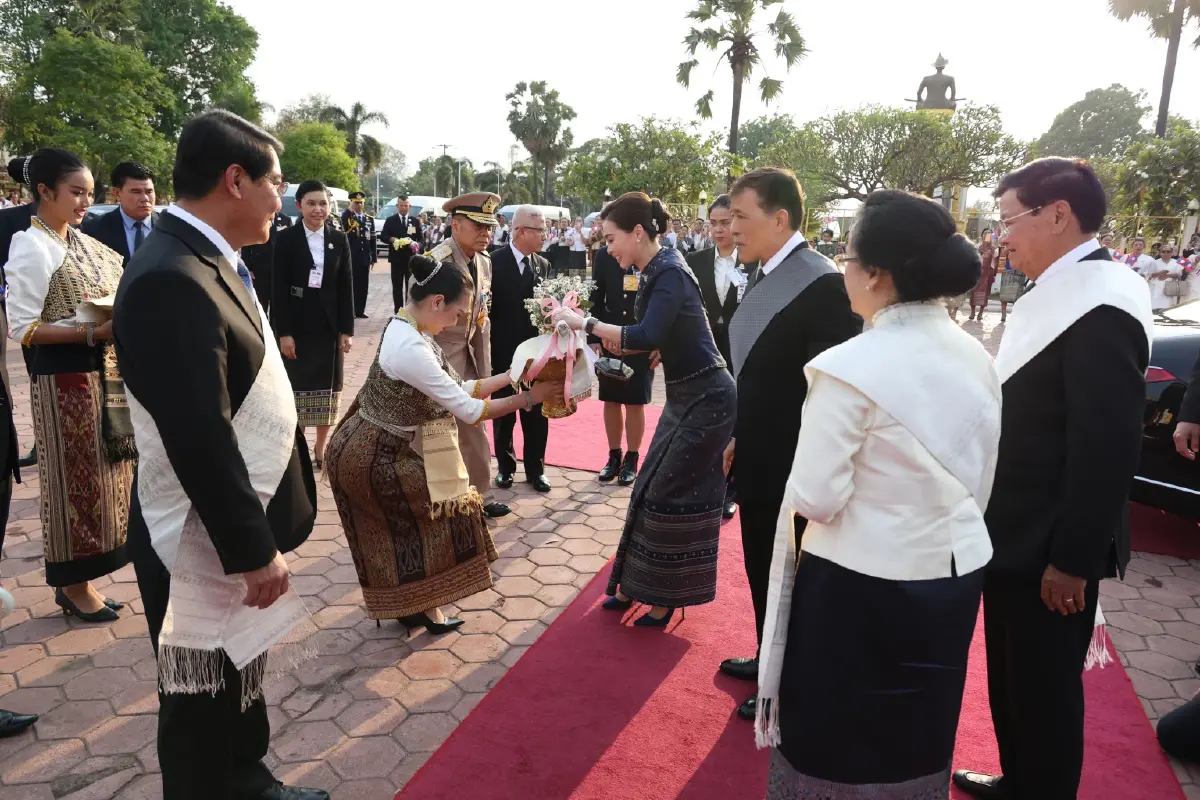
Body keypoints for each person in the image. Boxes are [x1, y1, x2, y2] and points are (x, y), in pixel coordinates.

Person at [756, 189, 999, 797]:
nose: (844, 270)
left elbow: (815, 497)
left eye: (848, 257)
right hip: (953, 571)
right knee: (920, 724)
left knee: (840, 735)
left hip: (860, 581)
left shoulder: (848, 367)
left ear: (876, 274)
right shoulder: (975, 353)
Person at [113, 109, 324, 800]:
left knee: (235, 674)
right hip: (201, 535)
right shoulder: (171, 275)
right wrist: (250, 549)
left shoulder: (207, 257)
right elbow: (198, 432)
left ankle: (248, 782)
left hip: (228, 524)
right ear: (236, 180)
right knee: (198, 702)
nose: (280, 199)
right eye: (276, 183)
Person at [952, 158, 1153, 800]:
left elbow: (1107, 445)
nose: (1002, 236)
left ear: (1057, 214)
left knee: (1045, 694)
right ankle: (1021, 782)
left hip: (1050, 548)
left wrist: (1072, 559)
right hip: (1012, 530)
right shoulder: (1061, 288)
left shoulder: (1101, 302)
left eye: (1010, 219)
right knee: (1012, 683)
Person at [326, 255, 562, 634]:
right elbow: (468, 409)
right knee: (448, 515)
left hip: (369, 449)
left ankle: (412, 606)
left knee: (397, 533)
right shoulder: (412, 347)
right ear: (436, 302)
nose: (457, 322)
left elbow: (459, 389)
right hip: (371, 455)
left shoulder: (406, 326)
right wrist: (530, 398)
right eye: (457, 313)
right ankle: (426, 607)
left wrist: (514, 375)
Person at [719, 167, 863, 722]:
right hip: (760, 452)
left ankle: (790, 680)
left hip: (797, 465)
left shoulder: (822, 283)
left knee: (793, 575)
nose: (732, 228)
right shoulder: (766, 271)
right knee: (764, 565)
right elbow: (757, 371)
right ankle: (768, 657)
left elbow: (829, 393)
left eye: (742, 218)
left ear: (780, 219)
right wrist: (739, 433)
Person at [554, 192, 736, 627]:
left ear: (638, 232)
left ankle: (665, 598)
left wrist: (588, 325)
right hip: (682, 394)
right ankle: (636, 585)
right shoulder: (655, 268)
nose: (607, 246)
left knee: (670, 493)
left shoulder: (669, 270)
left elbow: (645, 331)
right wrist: (662, 346)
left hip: (708, 397)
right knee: (648, 487)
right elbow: (663, 331)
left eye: (612, 237)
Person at [6, 148, 134, 623]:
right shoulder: (31, 245)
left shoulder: (80, 242)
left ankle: (87, 579)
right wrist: (89, 331)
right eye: (75, 193)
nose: (85, 202)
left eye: (88, 193)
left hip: (103, 374)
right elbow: (23, 328)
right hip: (62, 382)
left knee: (104, 483)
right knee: (70, 487)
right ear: (44, 192)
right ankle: (72, 585)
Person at [430, 192, 510, 518]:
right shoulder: (437, 262)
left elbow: (482, 320)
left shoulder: (485, 262)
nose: (486, 233)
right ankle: (443, 500)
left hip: (471, 358)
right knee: (436, 429)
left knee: (475, 423)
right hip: (438, 358)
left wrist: (487, 373)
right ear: (456, 224)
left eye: (489, 227)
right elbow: (417, 321)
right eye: (478, 226)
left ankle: (483, 495)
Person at [272, 180, 355, 470]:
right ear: (299, 206)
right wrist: (284, 333)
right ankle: (296, 447)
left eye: (323, 203)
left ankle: (321, 446)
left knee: (328, 391)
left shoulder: (338, 239)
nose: (318, 210)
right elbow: (278, 291)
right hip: (298, 327)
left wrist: (347, 330)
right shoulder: (285, 240)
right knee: (297, 389)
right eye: (311, 203)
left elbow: (346, 287)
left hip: (329, 328)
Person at [687, 193, 754, 519]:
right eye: (713, 223)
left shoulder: (752, 262)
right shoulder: (696, 261)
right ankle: (702, 485)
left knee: (734, 423)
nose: (718, 229)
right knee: (705, 421)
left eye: (725, 223)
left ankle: (729, 488)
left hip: (741, 353)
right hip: (704, 354)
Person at [490, 206, 552, 492]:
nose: (544, 235)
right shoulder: (492, 262)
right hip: (503, 353)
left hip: (536, 356)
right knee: (504, 413)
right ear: (521, 231)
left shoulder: (543, 265)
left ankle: (536, 469)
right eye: (539, 230)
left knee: (537, 412)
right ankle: (505, 467)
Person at [588, 243, 654, 486]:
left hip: (642, 337)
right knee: (611, 398)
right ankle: (614, 456)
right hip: (610, 336)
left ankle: (632, 458)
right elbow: (595, 295)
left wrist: (658, 342)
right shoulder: (605, 255)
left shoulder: (651, 253)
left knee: (636, 401)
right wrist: (595, 337)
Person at [81, 161, 159, 266]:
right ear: (117, 193)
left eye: (149, 192)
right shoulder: (93, 230)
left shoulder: (170, 227)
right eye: (136, 192)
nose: (145, 198)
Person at [242, 208, 291, 314]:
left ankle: (276, 330)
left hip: (279, 271)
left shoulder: (285, 220)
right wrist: (247, 268)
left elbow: (291, 245)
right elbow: (246, 246)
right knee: (259, 306)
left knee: (278, 308)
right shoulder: (255, 219)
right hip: (259, 270)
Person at [381, 195, 422, 310]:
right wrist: (392, 239)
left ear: (410, 206)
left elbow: (422, 239)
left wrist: (417, 245)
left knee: (411, 287)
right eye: (401, 205)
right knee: (397, 287)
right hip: (396, 260)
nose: (404, 208)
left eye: (406, 205)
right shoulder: (390, 220)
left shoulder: (415, 221)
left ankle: (409, 311)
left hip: (411, 261)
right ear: (397, 206)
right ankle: (398, 311)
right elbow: (383, 236)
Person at [341, 190, 376, 319]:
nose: (359, 205)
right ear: (351, 203)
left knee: (363, 285)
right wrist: (349, 210)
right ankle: (351, 309)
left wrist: (373, 258)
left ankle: (360, 309)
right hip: (352, 256)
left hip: (364, 257)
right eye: (356, 203)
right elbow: (343, 224)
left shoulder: (368, 219)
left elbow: (372, 239)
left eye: (361, 203)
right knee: (352, 284)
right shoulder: (348, 216)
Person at [1141, 240, 1186, 311]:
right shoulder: (1154, 262)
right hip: (1156, 288)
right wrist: (1159, 273)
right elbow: (1148, 275)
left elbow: (1179, 274)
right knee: (1154, 308)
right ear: (1160, 253)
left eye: (1168, 251)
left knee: (1167, 309)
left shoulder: (1176, 262)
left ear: (1171, 253)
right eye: (1163, 251)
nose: (1165, 253)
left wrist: (1168, 275)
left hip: (1170, 288)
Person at [968, 229, 997, 321]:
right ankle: (972, 312)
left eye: (989, 233)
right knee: (974, 291)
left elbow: (994, 262)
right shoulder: (977, 246)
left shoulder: (993, 249)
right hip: (977, 273)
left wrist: (994, 274)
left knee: (985, 293)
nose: (987, 235)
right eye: (985, 233)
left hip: (987, 274)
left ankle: (980, 313)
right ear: (982, 235)